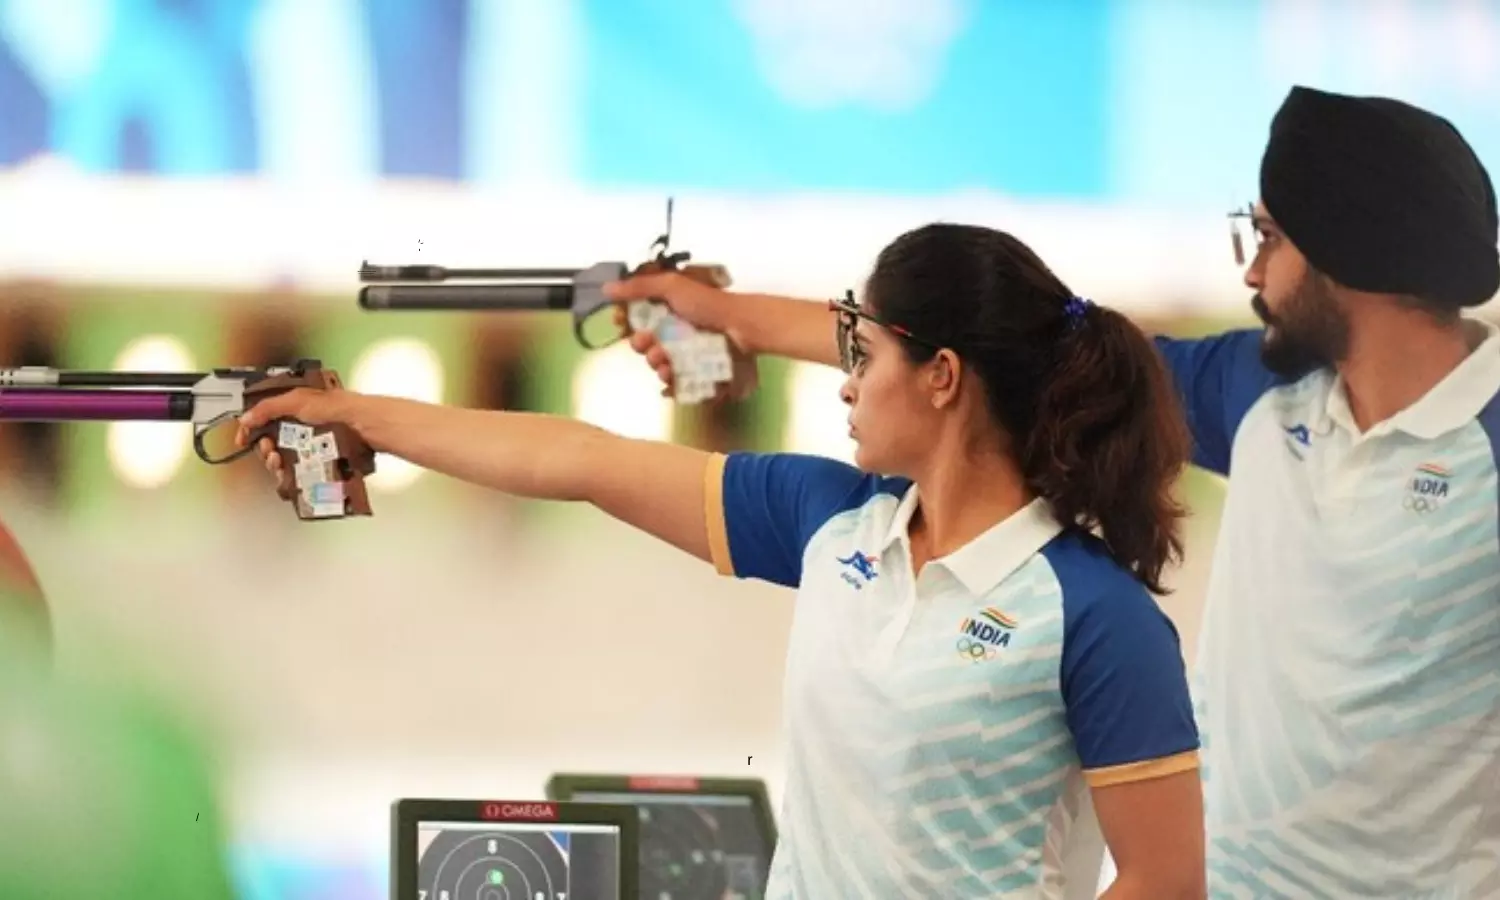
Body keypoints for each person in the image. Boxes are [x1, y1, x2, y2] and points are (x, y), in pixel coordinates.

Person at [607, 85, 1500, 898]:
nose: (1250, 272)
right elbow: (981, 349)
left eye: (1269, 236)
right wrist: (725, 316)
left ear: (1350, 250)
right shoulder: (1259, 392)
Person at [240, 223, 1207, 898]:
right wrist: (359, 417)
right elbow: (579, 459)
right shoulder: (830, 522)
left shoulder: (1098, 618)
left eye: (861, 357)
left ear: (943, 378)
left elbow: (1166, 883)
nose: (846, 387)